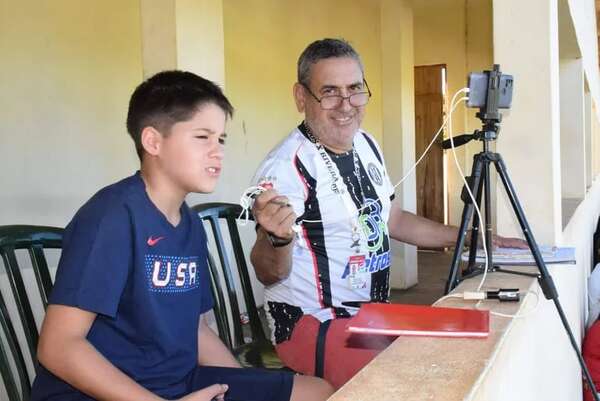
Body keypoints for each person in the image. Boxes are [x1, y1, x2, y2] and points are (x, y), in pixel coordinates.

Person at [30, 71, 334, 401]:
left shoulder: (189, 224)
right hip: (105, 392)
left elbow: (195, 328)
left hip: (174, 382)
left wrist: (242, 388)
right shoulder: (112, 217)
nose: (217, 151)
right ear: (153, 142)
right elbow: (58, 347)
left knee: (318, 391)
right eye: (202, 137)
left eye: (221, 139)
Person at [249, 38, 527, 389]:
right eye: (329, 92)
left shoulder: (366, 144)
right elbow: (267, 273)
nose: (346, 105)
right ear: (301, 97)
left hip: (374, 317)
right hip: (312, 325)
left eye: (355, 89)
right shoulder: (285, 169)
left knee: (474, 340)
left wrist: (472, 238)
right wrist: (277, 238)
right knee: (428, 379)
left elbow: (393, 220)